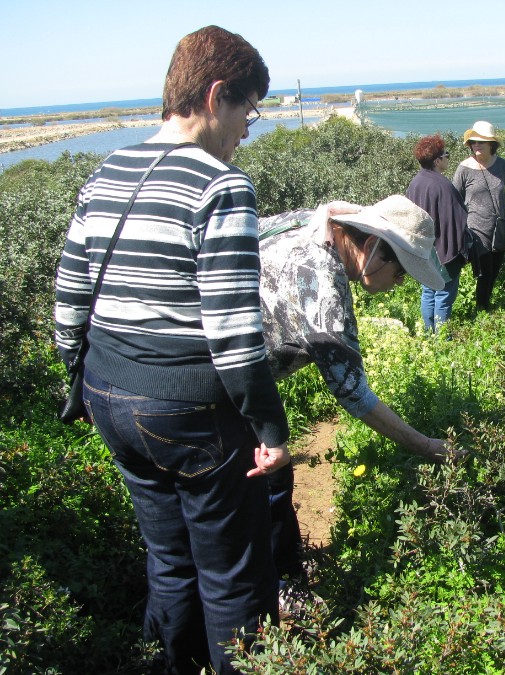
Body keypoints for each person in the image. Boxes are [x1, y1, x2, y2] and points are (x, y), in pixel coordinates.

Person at [54, 26, 288, 675]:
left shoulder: (106, 170)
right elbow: (235, 333)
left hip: (109, 396)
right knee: (233, 576)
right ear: (216, 96)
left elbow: (69, 299)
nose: (248, 126)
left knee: (170, 558)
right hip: (191, 414)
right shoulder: (222, 185)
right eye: (248, 108)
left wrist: (79, 381)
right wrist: (270, 428)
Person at [256, 196, 464, 585]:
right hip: (207, 385)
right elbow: (353, 393)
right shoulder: (323, 282)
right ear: (370, 248)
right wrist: (427, 446)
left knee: (271, 479)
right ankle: (280, 589)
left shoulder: (316, 223)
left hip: (193, 364)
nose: (400, 282)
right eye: (401, 270)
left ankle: (279, 574)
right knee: (265, 486)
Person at [406, 134, 470, 332]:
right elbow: (458, 220)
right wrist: (463, 250)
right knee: (443, 294)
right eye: (446, 155)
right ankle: (442, 341)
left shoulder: (415, 183)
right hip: (443, 250)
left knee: (428, 290)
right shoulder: (443, 185)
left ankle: (428, 334)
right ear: (437, 161)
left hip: (423, 249)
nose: (448, 159)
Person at [452, 120, 505, 311]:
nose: (476, 145)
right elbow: (455, 199)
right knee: (484, 274)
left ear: (491, 144)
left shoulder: (502, 165)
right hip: (477, 230)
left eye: (480, 142)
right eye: (473, 142)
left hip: (500, 228)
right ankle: (482, 311)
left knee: (494, 273)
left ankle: (485, 309)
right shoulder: (464, 168)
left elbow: (500, 190)